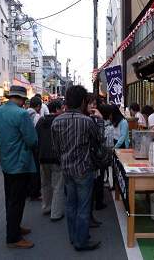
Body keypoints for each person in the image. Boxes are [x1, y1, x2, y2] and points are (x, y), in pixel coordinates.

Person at [51, 86, 102, 251]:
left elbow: (56, 148)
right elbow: (99, 139)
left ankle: (74, 237)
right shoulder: (87, 121)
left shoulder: (56, 121)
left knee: (70, 205)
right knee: (83, 206)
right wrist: (100, 120)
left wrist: (64, 159)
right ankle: (81, 241)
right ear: (82, 102)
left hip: (66, 169)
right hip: (83, 169)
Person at [0, 85, 38, 249]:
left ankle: (14, 227)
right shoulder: (22, 114)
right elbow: (32, 140)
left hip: (6, 161)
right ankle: (13, 237)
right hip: (20, 162)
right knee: (17, 201)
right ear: (21, 99)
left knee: (10, 199)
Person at [36, 100, 64, 220]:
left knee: (45, 183)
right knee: (58, 185)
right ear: (57, 109)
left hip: (43, 156)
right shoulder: (60, 121)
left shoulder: (41, 121)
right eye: (61, 108)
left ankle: (46, 207)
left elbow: (35, 138)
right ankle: (56, 213)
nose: (63, 110)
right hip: (56, 157)